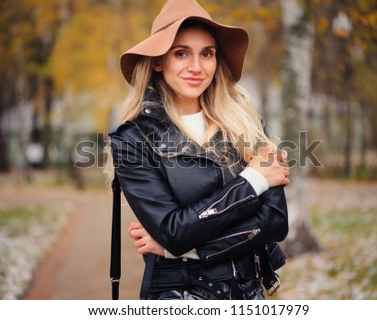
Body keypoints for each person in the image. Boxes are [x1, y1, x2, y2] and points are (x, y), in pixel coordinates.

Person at [107, 0, 290, 300]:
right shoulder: (132, 140)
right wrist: (254, 181)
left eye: (207, 53)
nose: (196, 67)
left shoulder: (247, 122)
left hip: (251, 294)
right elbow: (174, 231)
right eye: (181, 53)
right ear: (157, 61)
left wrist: (185, 248)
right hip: (180, 297)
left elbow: (274, 222)